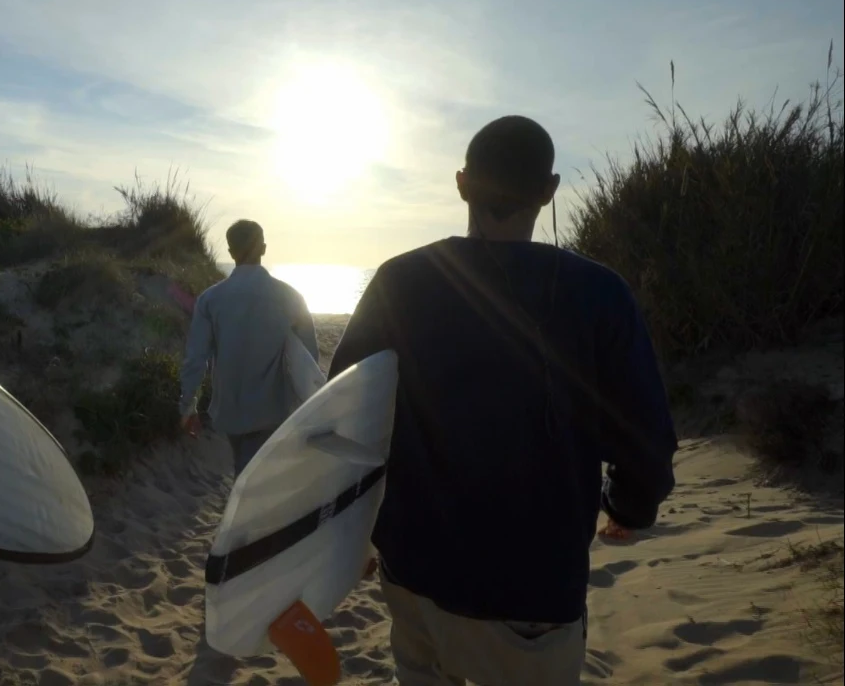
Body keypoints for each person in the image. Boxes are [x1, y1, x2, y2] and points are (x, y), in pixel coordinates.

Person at [328, 116, 678, 686]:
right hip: (530, 592)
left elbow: (343, 419)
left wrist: (353, 535)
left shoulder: (399, 280)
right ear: (549, 190)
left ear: (462, 183)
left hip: (412, 572)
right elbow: (646, 438)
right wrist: (630, 506)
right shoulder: (599, 293)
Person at [179, 219, 319, 477]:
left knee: (243, 470)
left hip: (230, 408)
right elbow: (310, 360)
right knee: (257, 475)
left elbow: (195, 359)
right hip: (275, 407)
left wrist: (188, 406)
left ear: (230, 252)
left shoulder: (210, 299)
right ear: (263, 248)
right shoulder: (290, 297)